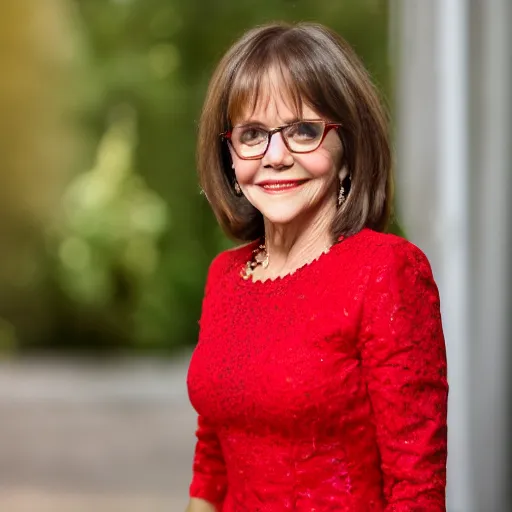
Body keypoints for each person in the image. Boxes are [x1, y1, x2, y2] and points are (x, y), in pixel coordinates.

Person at [185, 22, 448, 512]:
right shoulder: (225, 275)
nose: (276, 156)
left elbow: (417, 490)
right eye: (252, 134)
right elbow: (212, 464)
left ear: (347, 149)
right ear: (230, 157)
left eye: (303, 130)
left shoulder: (386, 271)